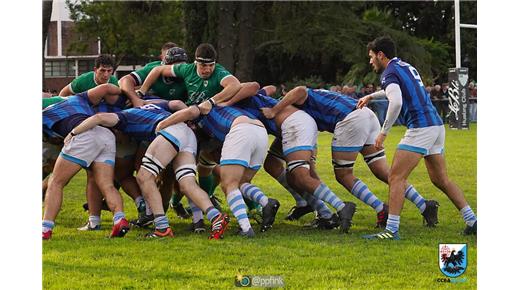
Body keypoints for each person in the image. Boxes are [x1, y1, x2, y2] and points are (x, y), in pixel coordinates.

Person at [263, 86, 437, 230]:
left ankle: (380, 208)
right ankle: (424, 205)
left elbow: (300, 90)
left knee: (344, 175)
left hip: (351, 120)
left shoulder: (300, 101)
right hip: (367, 115)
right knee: (385, 172)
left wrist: (275, 110)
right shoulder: (320, 95)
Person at [359, 36, 477, 240]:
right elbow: (397, 89)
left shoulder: (389, 73)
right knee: (441, 180)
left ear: (380, 55)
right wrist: (372, 96)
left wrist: (384, 131)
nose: (370, 61)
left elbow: (395, 102)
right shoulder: (403, 66)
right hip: (437, 125)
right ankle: (473, 221)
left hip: (420, 127)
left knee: (395, 177)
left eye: (371, 57)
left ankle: (391, 230)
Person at [64, 100, 231, 239]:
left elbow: (99, 117)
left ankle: (162, 228)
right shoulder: (156, 105)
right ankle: (215, 216)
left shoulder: (124, 116)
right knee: (187, 183)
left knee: (144, 177)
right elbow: (179, 104)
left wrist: (73, 133)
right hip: (187, 135)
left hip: (170, 132)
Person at [154, 99, 279, 237]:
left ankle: (246, 229)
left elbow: (190, 111)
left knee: (228, 184)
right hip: (260, 132)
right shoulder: (223, 106)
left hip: (241, 130)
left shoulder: (202, 108)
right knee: (242, 182)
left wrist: (162, 125)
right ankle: (266, 202)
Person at [42, 84, 129, 240]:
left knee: (56, 182)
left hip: (83, 135)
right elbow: (107, 87)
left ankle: (45, 229)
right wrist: (125, 91)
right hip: (106, 134)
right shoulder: (77, 98)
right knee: (107, 184)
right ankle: (119, 219)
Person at [119, 42, 186, 107]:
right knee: (116, 92)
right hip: (151, 105)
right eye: (174, 67)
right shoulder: (152, 68)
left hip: (174, 108)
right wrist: (135, 99)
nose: (176, 69)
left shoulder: (188, 72)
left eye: (181, 66)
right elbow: (124, 80)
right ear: (163, 60)